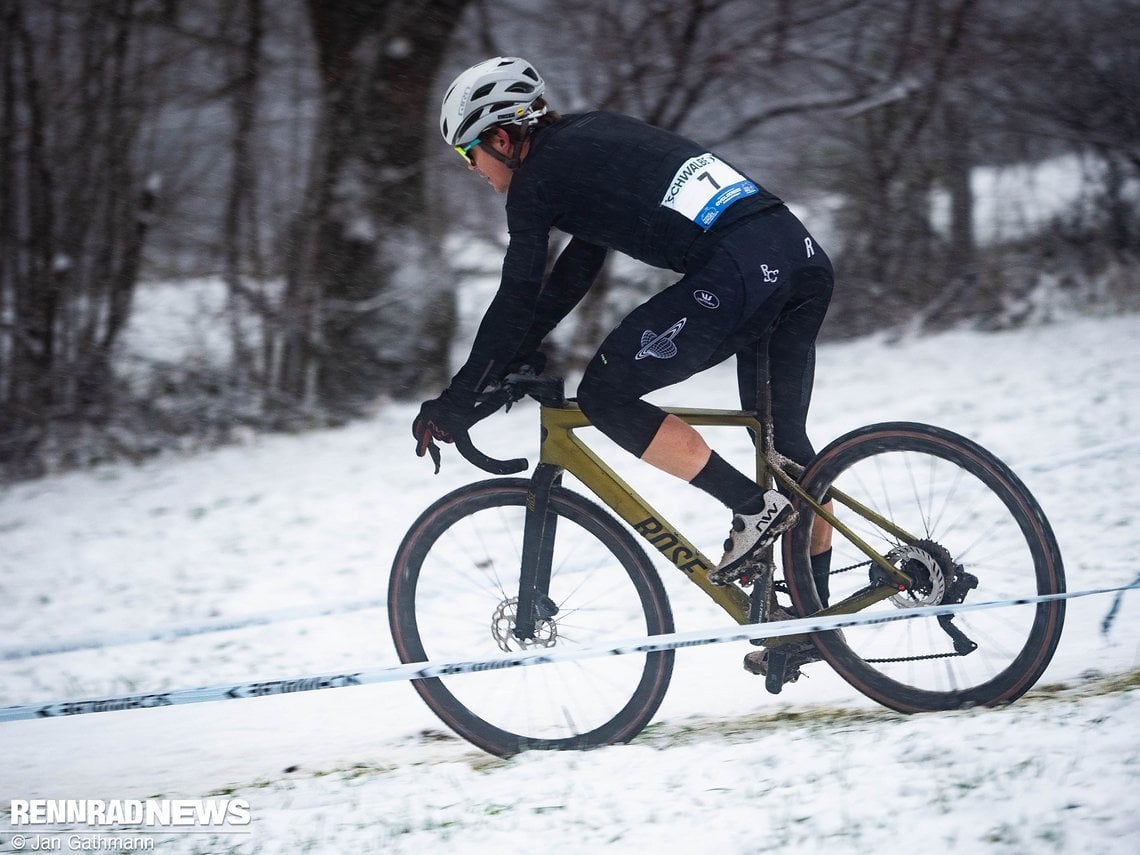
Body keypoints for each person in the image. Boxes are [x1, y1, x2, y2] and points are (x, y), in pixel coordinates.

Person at [414, 57, 835, 643]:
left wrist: (458, 399)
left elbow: (516, 294)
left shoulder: (536, 183)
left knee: (606, 393)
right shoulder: (590, 137)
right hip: (800, 254)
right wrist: (511, 356)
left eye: (469, 155)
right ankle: (819, 620)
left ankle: (748, 505)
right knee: (785, 447)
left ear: (502, 138)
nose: (472, 170)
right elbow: (572, 274)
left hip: (738, 271)